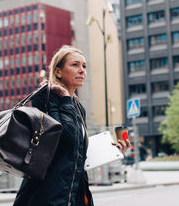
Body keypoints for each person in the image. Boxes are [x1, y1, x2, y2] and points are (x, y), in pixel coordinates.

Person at [13, 45, 130, 206]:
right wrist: (65, 97)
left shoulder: (77, 106)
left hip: (74, 193)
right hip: (47, 195)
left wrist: (114, 150)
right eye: (75, 65)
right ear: (58, 72)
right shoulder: (45, 97)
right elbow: (65, 137)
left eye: (84, 66)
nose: (82, 70)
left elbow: (75, 151)